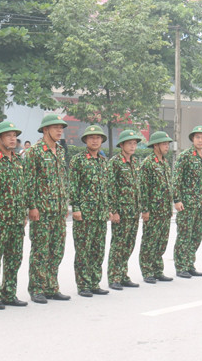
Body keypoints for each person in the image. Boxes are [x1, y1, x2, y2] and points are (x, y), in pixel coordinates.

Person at [23, 114, 70, 304]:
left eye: (61, 127)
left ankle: (52, 286)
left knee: (57, 250)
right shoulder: (34, 151)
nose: (59, 131)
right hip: (41, 211)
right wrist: (32, 206)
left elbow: (63, 178)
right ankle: (36, 288)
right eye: (55, 127)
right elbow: (29, 181)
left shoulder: (59, 150)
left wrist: (65, 202)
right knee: (40, 251)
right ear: (45, 130)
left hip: (58, 210)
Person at [0, 121, 29, 309]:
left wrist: (24, 211)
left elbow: (22, 188)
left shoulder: (18, 160)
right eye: (8, 136)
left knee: (14, 258)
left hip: (16, 219)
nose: (12, 139)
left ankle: (9, 293)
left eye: (14, 136)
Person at [70, 124, 110, 298]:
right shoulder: (78, 160)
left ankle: (94, 282)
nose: (95, 140)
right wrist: (76, 208)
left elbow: (106, 187)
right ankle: (83, 284)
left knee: (98, 249)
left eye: (98, 138)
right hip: (84, 213)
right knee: (83, 250)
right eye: (92, 138)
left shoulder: (103, 161)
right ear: (85, 140)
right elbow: (73, 186)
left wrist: (107, 208)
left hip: (100, 213)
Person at [107, 129, 144, 290]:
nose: (132, 146)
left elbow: (138, 187)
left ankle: (123, 274)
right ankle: (114, 276)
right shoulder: (115, 162)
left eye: (135, 143)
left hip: (133, 211)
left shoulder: (136, 162)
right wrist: (113, 210)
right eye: (129, 143)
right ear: (121, 144)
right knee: (118, 244)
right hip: (121, 211)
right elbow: (110, 187)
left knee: (129, 244)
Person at [172, 125, 202, 278]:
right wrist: (177, 199)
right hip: (186, 204)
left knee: (196, 235)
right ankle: (180, 266)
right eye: (197, 137)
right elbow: (177, 179)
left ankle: (189, 264)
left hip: (200, 204)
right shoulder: (186, 155)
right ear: (193, 139)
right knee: (184, 235)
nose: (200, 140)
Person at [139, 131, 175, 283]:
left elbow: (168, 186)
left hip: (164, 210)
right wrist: (145, 209)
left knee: (162, 241)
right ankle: (147, 271)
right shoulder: (148, 163)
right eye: (164, 144)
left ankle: (158, 269)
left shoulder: (164, 163)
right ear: (155, 145)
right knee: (150, 240)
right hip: (152, 210)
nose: (167, 146)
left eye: (167, 144)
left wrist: (169, 206)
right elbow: (143, 188)